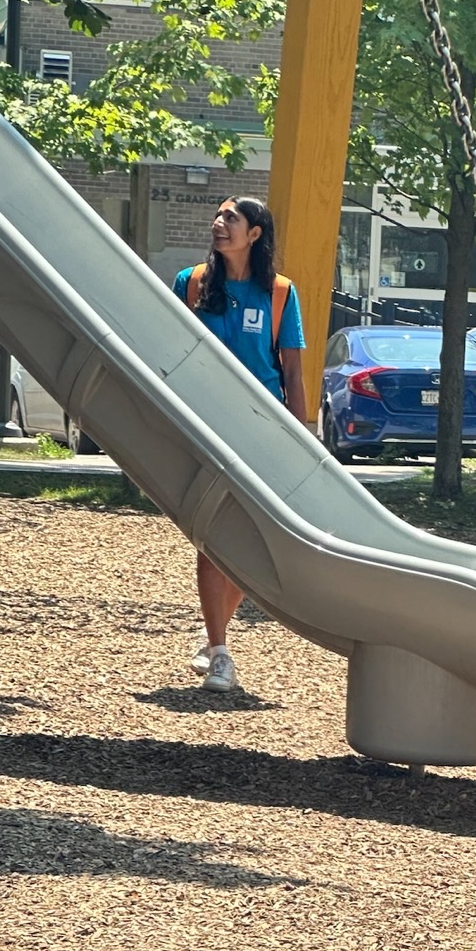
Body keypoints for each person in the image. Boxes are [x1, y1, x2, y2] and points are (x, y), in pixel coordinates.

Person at [176, 197, 308, 692]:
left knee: (250, 543)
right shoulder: (190, 284)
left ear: (255, 234)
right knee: (213, 539)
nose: (219, 224)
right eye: (217, 215)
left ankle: (214, 640)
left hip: (264, 430)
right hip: (207, 425)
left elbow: (291, 371)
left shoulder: (278, 294)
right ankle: (222, 655)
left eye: (231, 218)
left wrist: (302, 436)